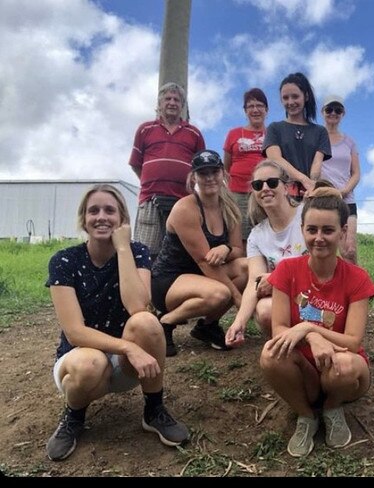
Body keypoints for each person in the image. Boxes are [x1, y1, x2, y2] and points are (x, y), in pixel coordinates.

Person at [45, 184, 189, 462]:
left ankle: (154, 409)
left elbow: (137, 306)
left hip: (126, 367)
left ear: (122, 218)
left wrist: (123, 247)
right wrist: (128, 348)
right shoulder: (64, 260)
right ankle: (73, 417)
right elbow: (75, 333)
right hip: (82, 363)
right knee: (90, 363)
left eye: (110, 210)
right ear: (83, 219)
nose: (101, 217)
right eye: (93, 211)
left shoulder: (136, 251)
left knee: (147, 322)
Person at [259, 186, 374, 458]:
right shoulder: (286, 270)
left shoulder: (358, 278)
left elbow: (353, 341)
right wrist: (312, 337)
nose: (319, 238)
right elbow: (278, 329)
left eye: (328, 230)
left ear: (343, 232)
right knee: (270, 354)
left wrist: (309, 327)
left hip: (343, 371)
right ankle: (306, 415)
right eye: (312, 230)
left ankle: (333, 408)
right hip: (304, 372)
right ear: (302, 230)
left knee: (345, 366)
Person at [151, 150, 247, 357]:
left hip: (203, 276)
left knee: (245, 268)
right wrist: (239, 298)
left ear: (223, 173)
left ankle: (207, 326)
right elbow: (205, 262)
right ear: (194, 177)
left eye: (214, 171)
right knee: (221, 293)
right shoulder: (186, 208)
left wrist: (225, 248)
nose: (210, 178)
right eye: (203, 173)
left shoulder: (230, 208)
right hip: (170, 280)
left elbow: (239, 250)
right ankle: (165, 322)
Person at [224, 159, 308, 347]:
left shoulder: (307, 217)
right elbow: (254, 283)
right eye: (257, 185)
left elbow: (321, 266)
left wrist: (278, 278)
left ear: (286, 187)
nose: (265, 188)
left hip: (314, 295)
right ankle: (288, 350)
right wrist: (239, 322)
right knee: (264, 310)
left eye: (272, 182)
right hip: (286, 299)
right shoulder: (257, 235)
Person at [129, 82, 206, 260]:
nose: (172, 103)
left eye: (176, 100)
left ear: (182, 105)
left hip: (182, 201)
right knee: (145, 252)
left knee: (180, 253)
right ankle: (147, 287)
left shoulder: (194, 133)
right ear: (160, 103)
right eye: (167, 99)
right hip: (150, 200)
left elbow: (200, 168)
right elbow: (135, 163)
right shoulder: (145, 129)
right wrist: (151, 181)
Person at [262, 72, 331, 198]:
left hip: (309, 195)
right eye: (285, 98)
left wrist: (312, 186)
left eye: (295, 96)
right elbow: (275, 159)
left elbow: (316, 165)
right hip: (280, 197)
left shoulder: (320, 131)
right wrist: (304, 180)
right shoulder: (274, 128)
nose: (290, 102)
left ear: (306, 96)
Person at [313, 95, 361, 263]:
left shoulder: (350, 142)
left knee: (349, 249)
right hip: (323, 200)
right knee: (321, 246)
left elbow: (356, 173)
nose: (333, 113)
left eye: (338, 110)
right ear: (322, 112)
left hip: (346, 200)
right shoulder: (316, 138)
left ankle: (356, 287)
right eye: (329, 109)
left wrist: (344, 191)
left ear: (343, 113)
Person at [223, 88, 269, 251]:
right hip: (238, 194)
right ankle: (244, 272)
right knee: (240, 238)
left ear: (266, 110)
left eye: (259, 105)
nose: (255, 110)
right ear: (245, 110)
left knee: (266, 234)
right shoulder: (234, 133)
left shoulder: (273, 133)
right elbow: (226, 166)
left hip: (264, 192)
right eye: (250, 106)